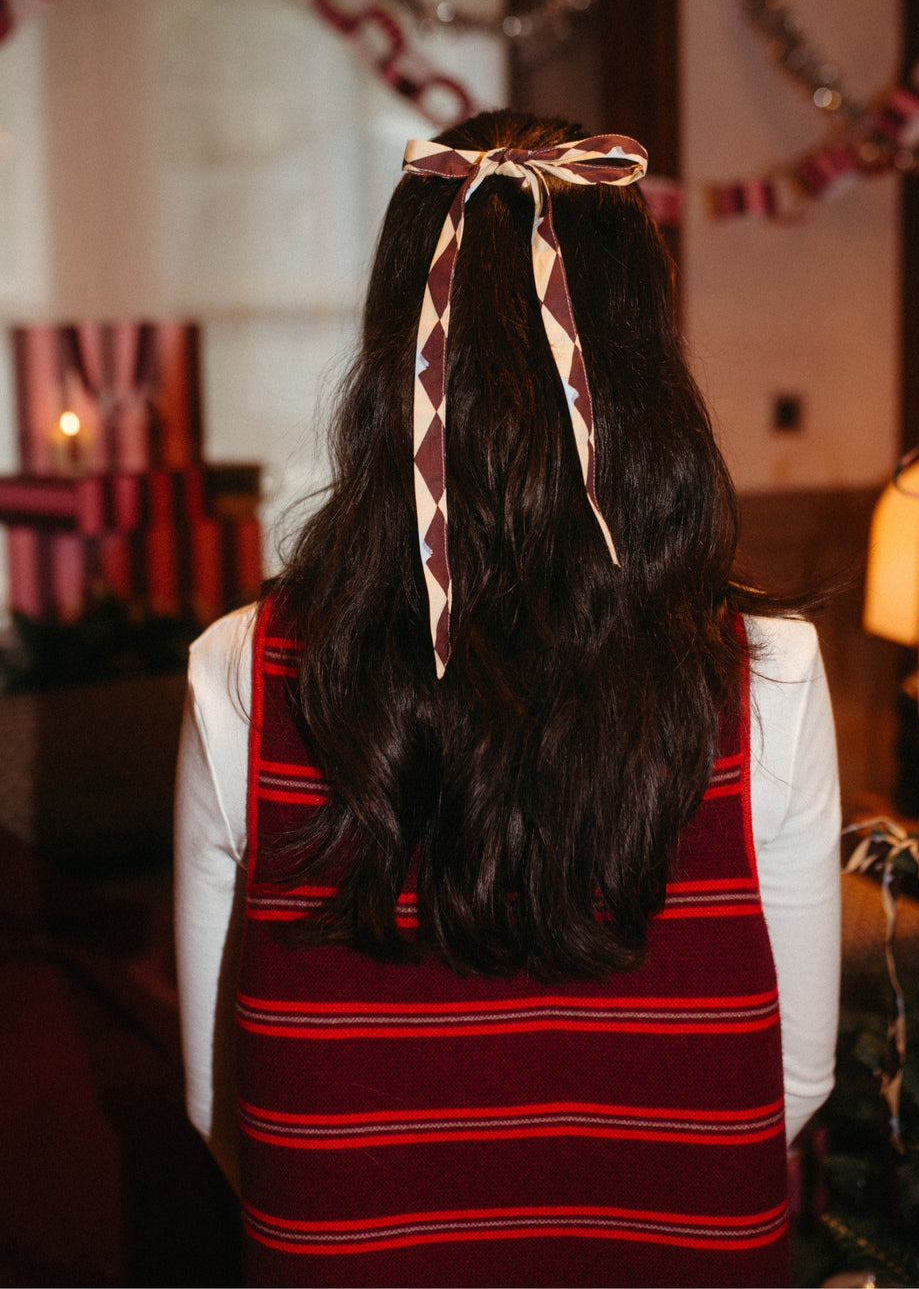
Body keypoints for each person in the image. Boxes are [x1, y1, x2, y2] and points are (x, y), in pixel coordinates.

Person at [174, 108, 841, 1288]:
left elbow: (223, 1103)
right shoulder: (767, 668)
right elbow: (790, 1086)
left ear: (397, 337)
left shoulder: (242, 665)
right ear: (640, 346)